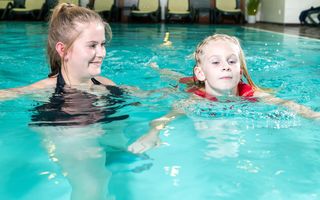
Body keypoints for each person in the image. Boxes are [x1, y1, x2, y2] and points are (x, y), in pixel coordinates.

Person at [1, 3, 129, 200]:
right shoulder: (47, 89)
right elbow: (9, 94)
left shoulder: (106, 85)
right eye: (92, 45)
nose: (102, 53)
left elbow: (143, 96)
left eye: (103, 44)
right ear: (64, 50)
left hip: (106, 142)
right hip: (69, 136)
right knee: (93, 185)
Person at [128, 33, 320, 154]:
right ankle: (156, 68)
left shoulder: (249, 92)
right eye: (216, 62)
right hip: (191, 85)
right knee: (172, 79)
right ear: (201, 72)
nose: (226, 67)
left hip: (201, 81)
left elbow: (286, 104)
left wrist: (313, 115)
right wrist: (152, 134)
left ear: (241, 71)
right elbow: (165, 118)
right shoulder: (195, 99)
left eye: (231, 61)